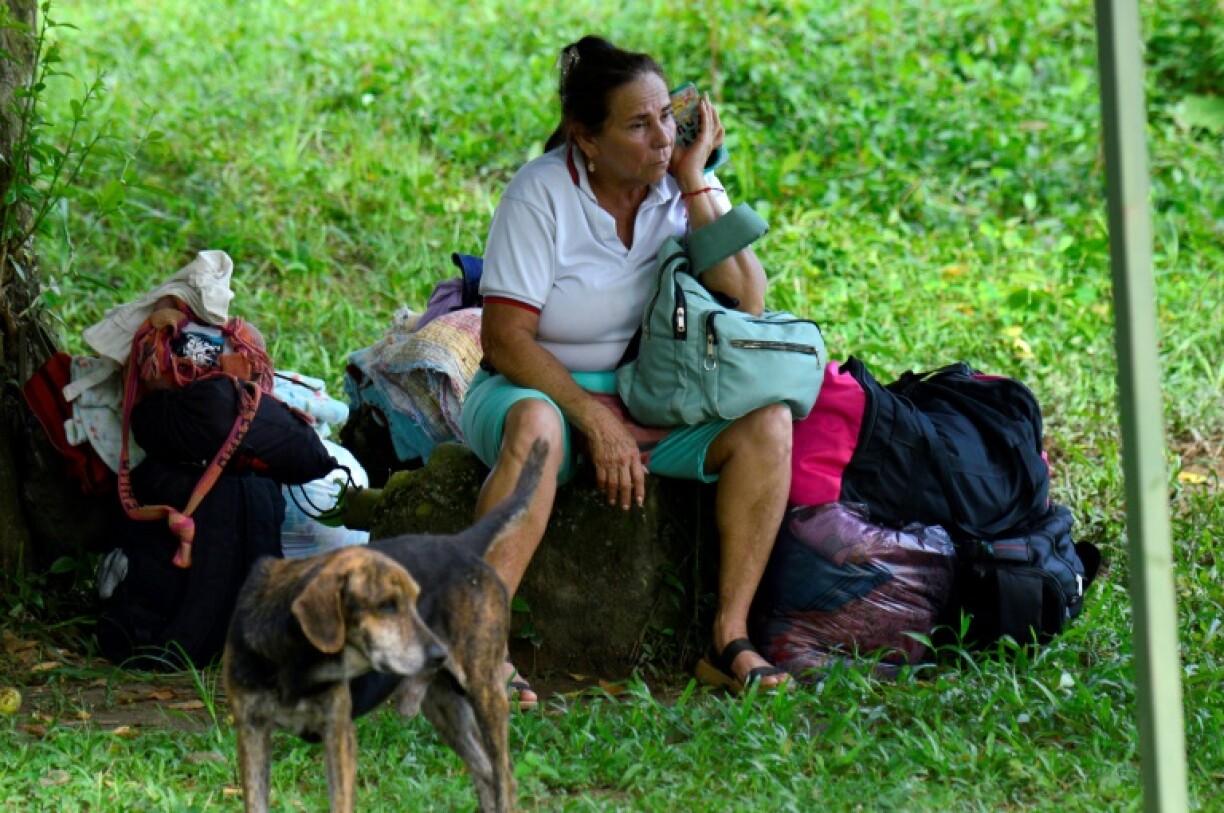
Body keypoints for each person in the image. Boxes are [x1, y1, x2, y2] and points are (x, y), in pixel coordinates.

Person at [460, 35, 792, 708]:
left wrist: (697, 178)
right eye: (638, 125)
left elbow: (747, 300)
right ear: (586, 137)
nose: (661, 138)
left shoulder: (681, 181)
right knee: (536, 425)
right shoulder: (540, 195)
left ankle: (727, 639)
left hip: (647, 393)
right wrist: (592, 418)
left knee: (768, 421)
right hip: (533, 387)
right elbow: (504, 339)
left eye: (666, 116)